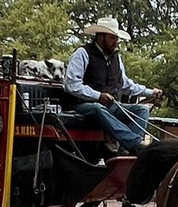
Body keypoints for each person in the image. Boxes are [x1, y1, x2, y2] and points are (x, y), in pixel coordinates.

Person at [64, 16, 162, 156]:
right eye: (112, 38)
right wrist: (98, 96)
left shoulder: (116, 58)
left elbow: (125, 84)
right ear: (100, 37)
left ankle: (125, 154)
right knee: (97, 107)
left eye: (116, 38)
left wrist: (150, 92)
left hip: (110, 106)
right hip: (82, 105)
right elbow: (71, 84)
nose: (115, 42)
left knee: (141, 111)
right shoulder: (82, 53)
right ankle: (135, 144)